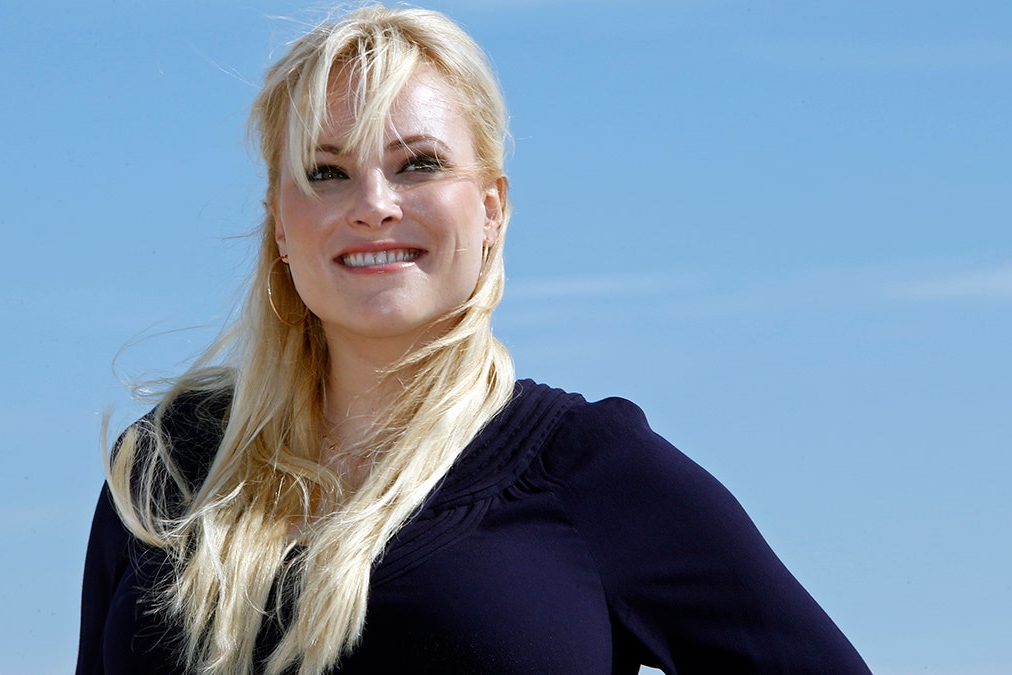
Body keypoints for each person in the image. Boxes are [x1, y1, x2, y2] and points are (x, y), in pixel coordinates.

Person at [77, 5, 871, 674]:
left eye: (418, 164)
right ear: (280, 224)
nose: (375, 204)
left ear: (490, 210)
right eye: (327, 172)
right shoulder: (166, 471)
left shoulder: (591, 471)